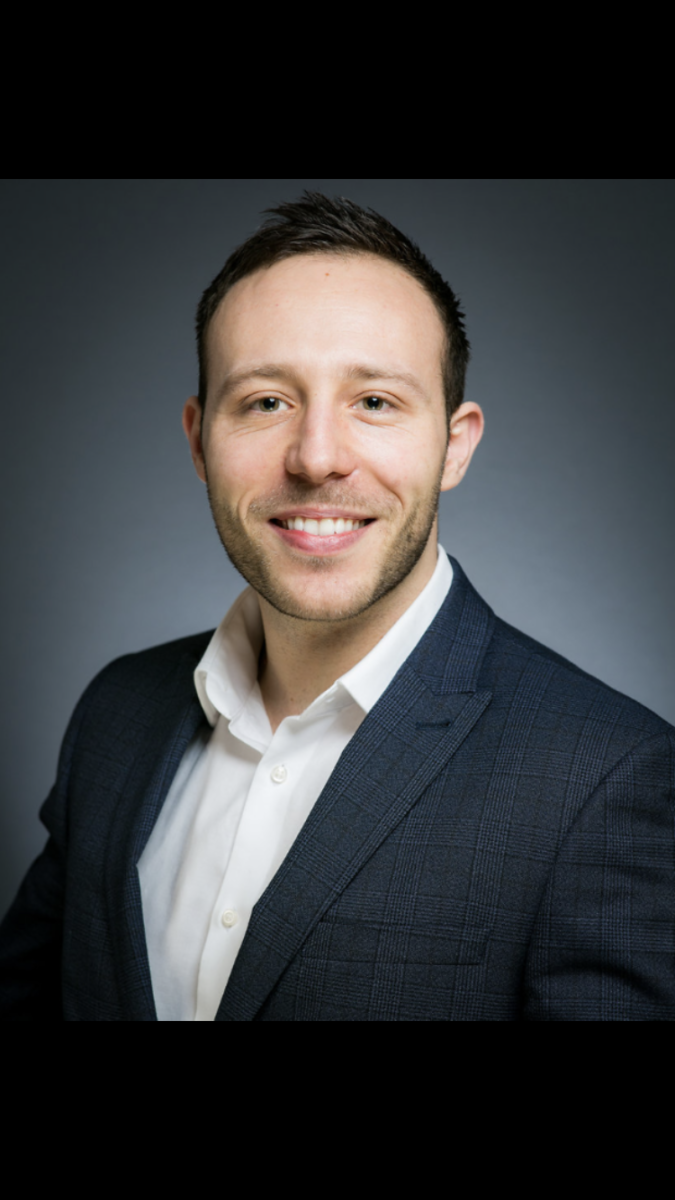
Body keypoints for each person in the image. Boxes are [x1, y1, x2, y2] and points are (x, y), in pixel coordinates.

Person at [1, 193, 673, 1021]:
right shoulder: (116, 714)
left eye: (375, 402)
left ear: (454, 445)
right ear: (198, 439)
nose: (316, 457)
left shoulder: (605, 778)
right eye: (266, 402)